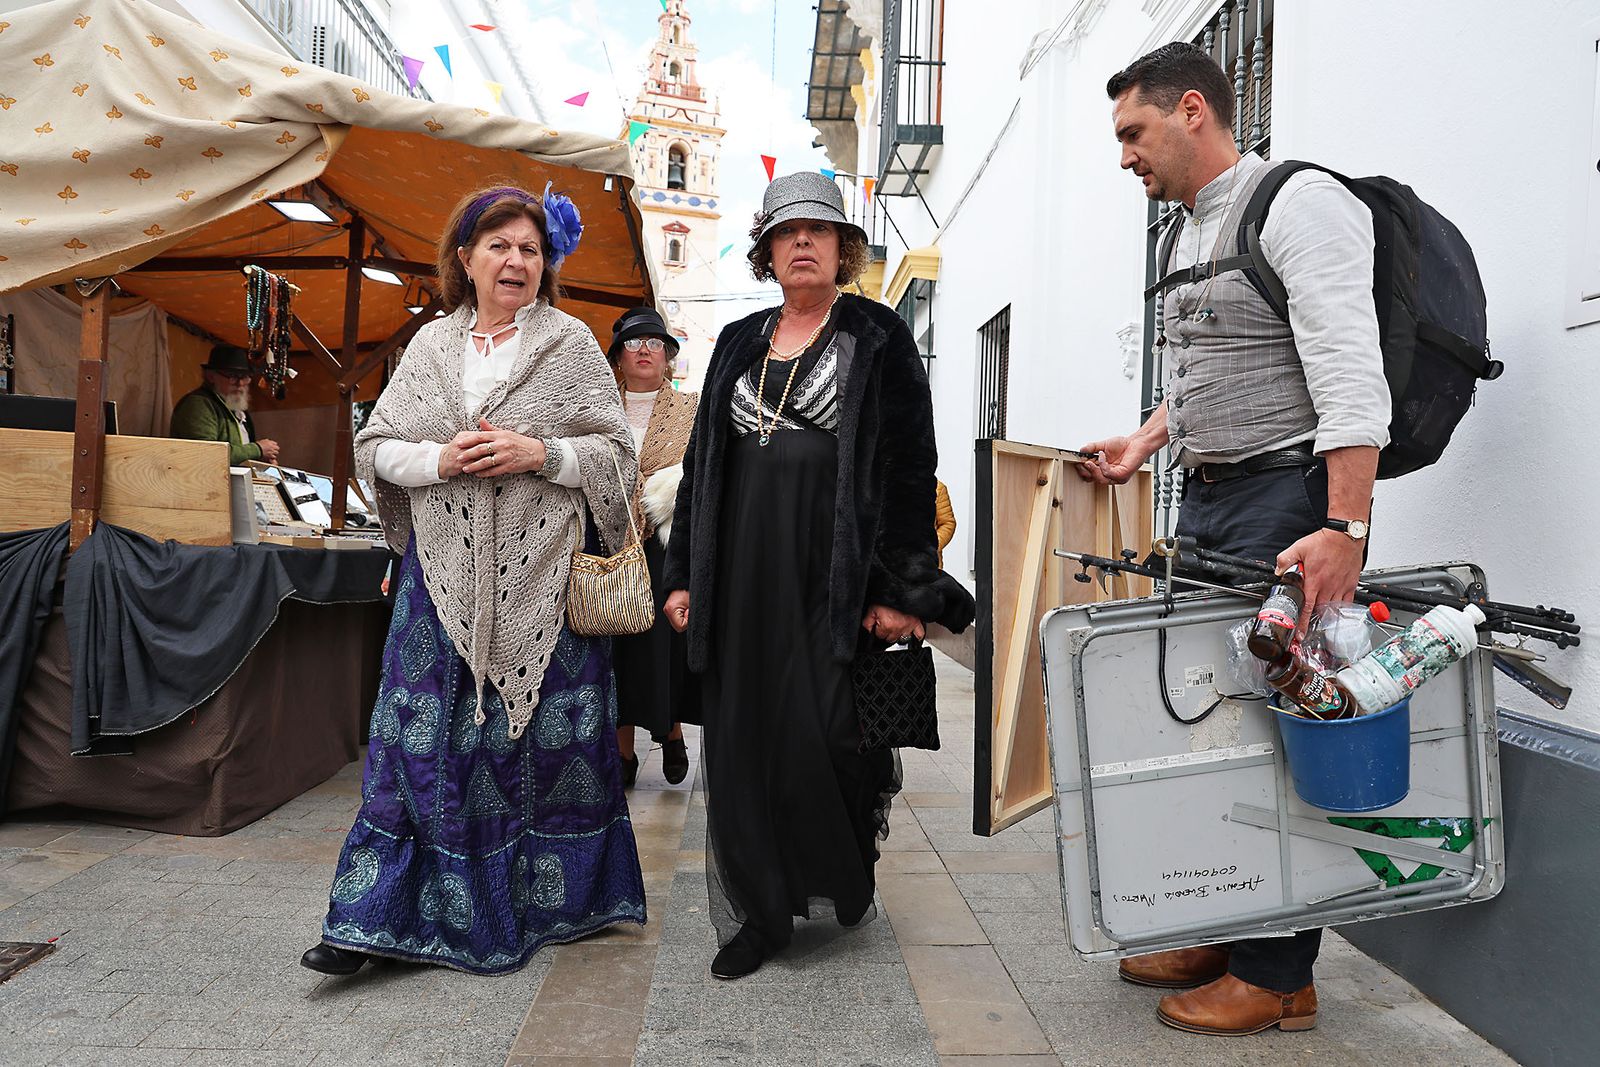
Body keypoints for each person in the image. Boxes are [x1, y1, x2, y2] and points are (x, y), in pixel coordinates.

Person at [1081, 43, 1389, 1034]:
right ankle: (1225, 927)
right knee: (1214, 725)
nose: (1125, 155)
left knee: (1278, 729)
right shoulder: (1188, 230)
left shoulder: (1300, 203)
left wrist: (1343, 526)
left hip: (1287, 506)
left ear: (1192, 111)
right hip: (1211, 503)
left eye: (1133, 132)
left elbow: (1350, 375)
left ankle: (1278, 973)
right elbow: (1214, 362)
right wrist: (1146, 440)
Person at [300, 184, 647, 976]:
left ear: (545, 263)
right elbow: (376, 446)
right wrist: (439, 459)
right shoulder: (430, 346)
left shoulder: (571, 346)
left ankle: (546, 905)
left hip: (544, 586)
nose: (515, 260)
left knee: (533, 751)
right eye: (499, 246)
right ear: (466, 258)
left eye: (530, 248)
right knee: (412, 748)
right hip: (440, 582)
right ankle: (368, 919)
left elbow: (617, 459)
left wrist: (541, 454)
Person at [662, 172, 975, 980]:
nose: (802, 240)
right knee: (741, 738)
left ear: (843, 249)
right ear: (767, 250)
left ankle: (835, 872)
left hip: (833, 578)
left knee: (828, 735)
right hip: (740, 574)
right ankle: (762, 913)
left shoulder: (877, 335)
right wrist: (683, 574)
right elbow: (702, 466)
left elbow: (909, 467)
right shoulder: (738, 340)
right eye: (787, 230)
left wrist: (902, 592)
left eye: (820, 229)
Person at [606, 306, 699, 787]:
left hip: (666, 541)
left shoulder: (692, 409)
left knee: (664, 645)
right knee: (613, 645)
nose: (644, 350)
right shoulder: (598, 410)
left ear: (667, 356)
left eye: (655, 343)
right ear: (618, 356)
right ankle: (622, 751)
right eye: (634, 342)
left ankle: (671, 729)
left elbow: (702, 474)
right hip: (607, 542)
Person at [170, 344, 281, 464]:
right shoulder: (198, 404)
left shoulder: (234, 407)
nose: (240, 383)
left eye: (245, 377)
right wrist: (257, 449)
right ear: (211, 376)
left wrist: (260, 460)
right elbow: (206, 453)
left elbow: (238, 455)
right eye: (232, 376)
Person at [934, 479, 956, 568]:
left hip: (928, 562)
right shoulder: (893, 486)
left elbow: (947, 523)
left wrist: (932, 544)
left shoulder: (937, 488)